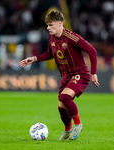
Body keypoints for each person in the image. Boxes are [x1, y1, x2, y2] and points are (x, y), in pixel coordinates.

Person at [19, 10, 100, 140]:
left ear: (60, 23)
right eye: (47, 25)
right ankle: (67, 130)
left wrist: (94, 74)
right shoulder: (52, 37)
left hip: (79, 73)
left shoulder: (72, 37)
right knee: (61, 107)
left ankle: (78, 125)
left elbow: (92, 51)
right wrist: (34, 58)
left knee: (65, 97)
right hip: (66, 76)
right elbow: (50, 54)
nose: (48, 28)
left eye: (50, 25)